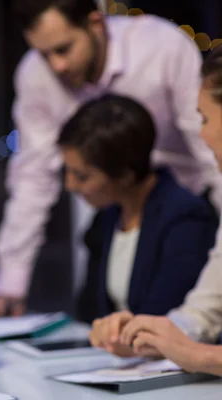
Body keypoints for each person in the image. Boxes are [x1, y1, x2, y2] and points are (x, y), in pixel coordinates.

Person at [0, 0, 222, 317]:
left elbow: (211, 150)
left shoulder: (161, 48)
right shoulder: (36, 75)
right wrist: (11, 283)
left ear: (95, 23)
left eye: (63, 49)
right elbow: (33, 177)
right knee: (98, 317)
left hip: (187, 207)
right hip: (116, 210)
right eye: (44, 54)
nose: (56, 66)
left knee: (175, 317)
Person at [89, 45, 222, 375]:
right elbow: (203, 313)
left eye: (204, 119)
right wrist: (145, 334)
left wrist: (204, 357)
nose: (201, 135)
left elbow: (201, 347)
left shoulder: (181, 212)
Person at [58, 94, 217, 322]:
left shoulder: (185, 219)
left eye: (82, 176)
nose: (70, 185)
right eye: (67, 171)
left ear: (124, 175)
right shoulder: (107, 218)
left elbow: (164, 316)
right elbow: (88, 312)